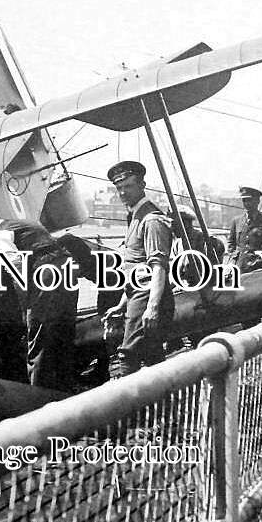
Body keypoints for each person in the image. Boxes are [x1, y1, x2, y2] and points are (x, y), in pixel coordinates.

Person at [0, 206, 77, 391]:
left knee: (38, 337)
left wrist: (26, 309)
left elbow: (17, 269)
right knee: (64, 331)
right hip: (66, 269)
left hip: (46, 275)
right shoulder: (24, 224)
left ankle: (38, 395)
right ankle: (66, 388)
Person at [101, 161, 175, 378]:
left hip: (147, 297)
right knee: (152, 356)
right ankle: (160, 408)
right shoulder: (134, 217)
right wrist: (122, 304)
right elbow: (136, 267)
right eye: (119, 188)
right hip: (138, 296)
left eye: (129, 186)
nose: (123, 192)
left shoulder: (152, 220)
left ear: (142, 185)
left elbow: (158, 266)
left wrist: (152, 307)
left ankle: (125, 411)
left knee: (128, 356)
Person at [225, 186, 262, 273]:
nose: (247, 203)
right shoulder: (236, 221)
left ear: (257, 201)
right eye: (244, 200)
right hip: (239, 268)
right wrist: (235, 256)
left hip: (258, 270)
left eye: (250, 200)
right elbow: (231, 244)